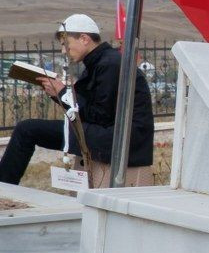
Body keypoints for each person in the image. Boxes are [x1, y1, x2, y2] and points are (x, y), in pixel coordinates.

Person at [0, 14, 155, 185]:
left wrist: (61, 93)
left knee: (27, 130)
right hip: (105, 134)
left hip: (115, 139)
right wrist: (60, 93)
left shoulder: (110, 64)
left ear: (84, 39)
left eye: (66, 44)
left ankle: (4, 187)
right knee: (27, 130)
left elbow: (99, 115)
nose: (63, 51)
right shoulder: (101, 62)